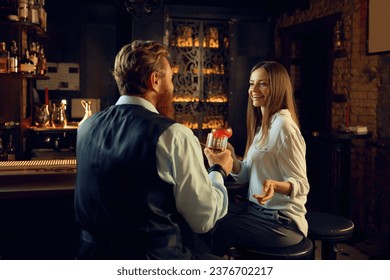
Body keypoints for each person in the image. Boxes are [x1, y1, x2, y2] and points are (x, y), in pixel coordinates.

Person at [74, 40, 233, 260]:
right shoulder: (174, 134)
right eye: (171, 79)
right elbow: (203, 219)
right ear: (155, 80)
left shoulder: (85, 127)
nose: (174, 87)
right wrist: (218, 170)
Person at [205, 61, 310, 256]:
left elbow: (302, 185)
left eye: (263, 84)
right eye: (252, 83)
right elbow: (245, 175)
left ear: (277, 87)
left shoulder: (284, 126)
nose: (254, 89)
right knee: (208, 214)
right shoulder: (265, 125)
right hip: (256, 210)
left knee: (221, 230)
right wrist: (229, 155)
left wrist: (276, 186)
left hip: (282, 222)